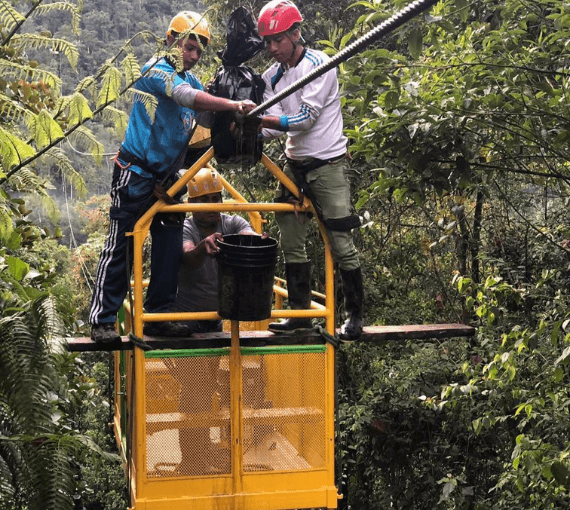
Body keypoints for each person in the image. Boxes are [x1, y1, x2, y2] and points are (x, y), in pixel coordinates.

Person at [89, 11, 256, 344]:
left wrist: (234, 109)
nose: (193, 56)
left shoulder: (192, 80)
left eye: (198, 51)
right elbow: (185, 97)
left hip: (168, 181)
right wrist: (231, 102)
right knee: (124, 244)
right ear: (171, 40)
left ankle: (160, 315)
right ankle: (102, 319)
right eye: (188, 47)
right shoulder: (155, 70)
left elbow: (205, 117)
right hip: (136, 175)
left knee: (168, 249)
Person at [256, 0, 364, 340]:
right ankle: (300, 314)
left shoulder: (320, 65)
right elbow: (275, 127)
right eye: (268, 42)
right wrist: (247, 131)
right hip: (296, 166)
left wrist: (260, 119)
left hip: (327, 164)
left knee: (340, 239)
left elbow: (305, 120)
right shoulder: (271, 76)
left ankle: (355, 314)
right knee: (290, 237)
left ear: (295, 34)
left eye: (278, 40)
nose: (273, 48)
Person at [174, 166, 256, 333]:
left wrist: (256, 239)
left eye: (215, 198)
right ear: (191, 203)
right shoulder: (185, 228)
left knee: (213, 359)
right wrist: (203, 247)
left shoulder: (232, 222)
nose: (211, 205)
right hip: (186, 317)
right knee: (190, 359)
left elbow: (247, 234)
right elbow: (188, 256)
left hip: (216, 317)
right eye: (204, 200)